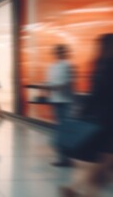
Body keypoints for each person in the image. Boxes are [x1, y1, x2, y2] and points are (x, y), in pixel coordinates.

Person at [60, 34, 113, 197]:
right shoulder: (109, 66)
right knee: (104, 161)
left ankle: (77, 188)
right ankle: (75, 187)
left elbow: (94, 94)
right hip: (108, 120)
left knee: (103, 161)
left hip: (97, 119)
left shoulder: (99, 65)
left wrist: (84, 111)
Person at [46, 45, 75, 167]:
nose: (58, 53)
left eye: (60, 51)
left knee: (64, 129)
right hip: (56, 101)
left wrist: (53, 87)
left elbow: (67, 83)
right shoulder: (52, 67)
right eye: (57, 51)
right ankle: (63, 157)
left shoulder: (68, 65)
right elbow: (51, 82)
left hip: (65, 101)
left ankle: (65, 157)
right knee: (60, 128)